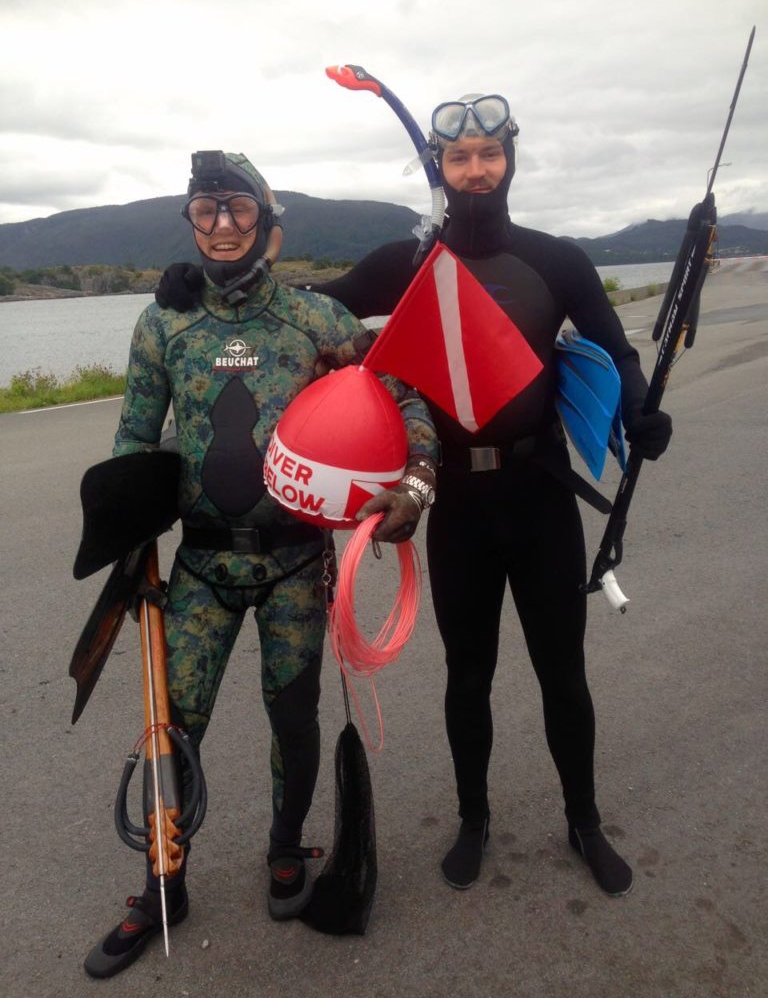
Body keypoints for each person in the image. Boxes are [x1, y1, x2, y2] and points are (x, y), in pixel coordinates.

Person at [156, 98, 672, 899]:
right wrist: (197, 287)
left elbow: (613, 342)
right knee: (467, 673)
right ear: (439, 167)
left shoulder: (556, 259)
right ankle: (473, 820)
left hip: (540, 495)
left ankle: (585, 820)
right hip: (456, 501)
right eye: (458, 157)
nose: (475, 169)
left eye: (488, 154)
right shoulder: (409, 259)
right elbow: (292, 311)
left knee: (562, 672)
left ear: (510, 160)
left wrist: (638, 408)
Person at [84, 150, 438, 979]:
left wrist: (414, 484)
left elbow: (407, 394)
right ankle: (162, 882)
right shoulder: (162, 324)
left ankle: (287, 848)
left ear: (268, 224)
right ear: (191, 222)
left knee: (294, 718)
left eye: (237, 209)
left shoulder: (315, 321)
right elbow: (135, 437)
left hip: (293, 566)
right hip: (201, 569)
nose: (221, 226)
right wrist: (130, 540)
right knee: (177, 728)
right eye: (205, 211)